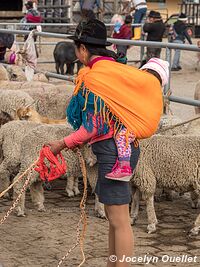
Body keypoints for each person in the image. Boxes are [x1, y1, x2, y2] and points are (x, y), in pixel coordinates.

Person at [47, 19, 163, 267]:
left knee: (119, 218)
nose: (78, 56)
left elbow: (94, 125)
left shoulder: (96, 78)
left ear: (83, 49)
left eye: (77, 50)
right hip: (125, 148)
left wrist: (61, 143)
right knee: (114, 217)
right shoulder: (117, 72)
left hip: (114, 152)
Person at [106, 57, 169, 181]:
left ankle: (124, 166)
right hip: (137, 122)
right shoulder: (151, 90)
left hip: (137, 125)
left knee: (121, 137)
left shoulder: (148, 90)